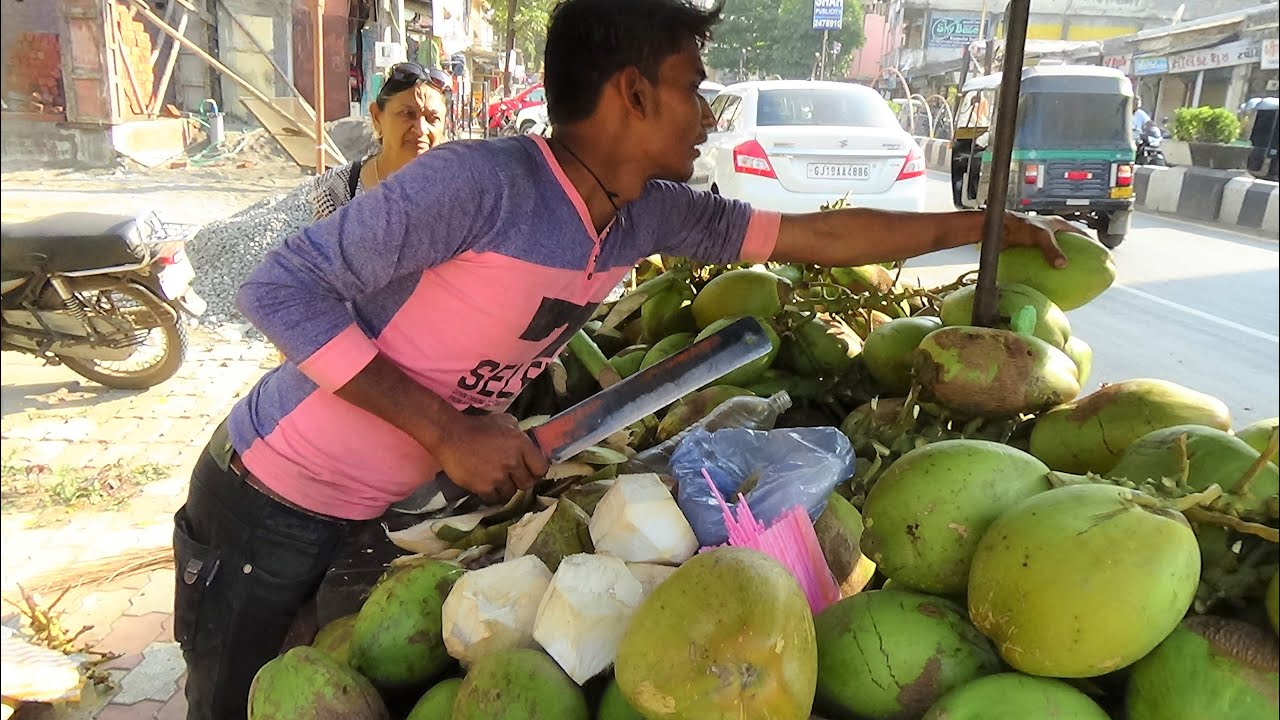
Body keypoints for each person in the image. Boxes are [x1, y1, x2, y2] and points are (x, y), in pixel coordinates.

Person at [171, 1, 1071, 717]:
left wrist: (981, 226)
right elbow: (279, 289)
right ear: (633, 94)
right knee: (227, 700)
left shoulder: (646, 213)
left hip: (379, 513)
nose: (708, 113)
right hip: (266, 495)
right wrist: (447, 431)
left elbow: (821, 236)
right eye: (694, 87)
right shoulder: (478, 185)